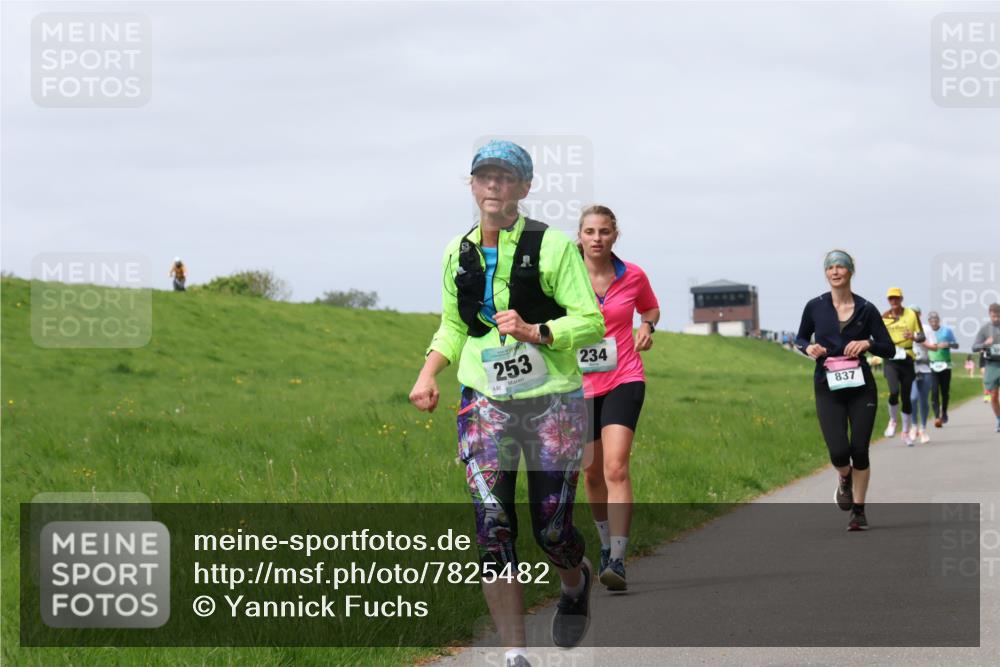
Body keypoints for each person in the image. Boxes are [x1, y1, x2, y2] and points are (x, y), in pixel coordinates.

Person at [409, 140, 605, 665]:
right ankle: (514, 655)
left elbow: (590, 320)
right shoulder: (458, 252)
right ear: (472, 185)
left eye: (505, 177)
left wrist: (537, 330)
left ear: (524, 186)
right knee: (493, 528)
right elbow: (454, 324)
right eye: (485, 176)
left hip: (552, 402)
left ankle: (574, 580)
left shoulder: (553, 246)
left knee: (551, 529)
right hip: (484, 403)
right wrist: (429, 373)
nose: (494, 185)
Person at [575, 205, 660, 591]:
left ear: (615, 235)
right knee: (591, 474)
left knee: (615, 467)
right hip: (578, 386)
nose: (597, 238)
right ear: (580, 236)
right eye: (590, 231)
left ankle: (619, 560)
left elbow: (651, 307)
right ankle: (605, 543)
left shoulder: (634, 274)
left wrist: (647, 325)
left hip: (625, 376)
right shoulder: (563, 278)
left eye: (604, 231)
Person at [795, 250, 895, 531]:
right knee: (839, 451)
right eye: (830, 268)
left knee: (860, 450)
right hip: (828, 386)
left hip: (861, 387)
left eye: (841, 267)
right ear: (826, 273)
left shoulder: (867, 308)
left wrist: (868, 344)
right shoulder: (815, 306)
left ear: (851, 272)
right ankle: (844, 477)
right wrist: (808, 348)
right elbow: (801, 337)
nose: (835, 272)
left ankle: (859, 511)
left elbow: (889, 347)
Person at [880, 287, 924, 446]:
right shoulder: (884, 317)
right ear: (888, 301)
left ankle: (905, 432)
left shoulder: (911, 314)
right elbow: (877, 337)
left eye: (896, 298)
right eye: (891, 299)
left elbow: (922, 336)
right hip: (891, 359)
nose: (894, 301)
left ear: (901, 299)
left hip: (907, 358)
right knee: (893, 391)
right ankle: (893, 421)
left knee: (906, 397)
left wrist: (913, 336)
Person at [924, 311, 959, 427]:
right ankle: (937, 417)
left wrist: (948, 344)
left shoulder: (946, 331)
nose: (934, 322)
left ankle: (944, 412)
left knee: (945, 391)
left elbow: (956, 345)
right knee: (934, 391)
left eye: (936, 320)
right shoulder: (927, 332)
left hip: (946, 364)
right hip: (932, 365)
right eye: (931, 320)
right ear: (929, 322)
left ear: (939, 320)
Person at [970, 303, 1000, 433]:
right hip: (991, 364)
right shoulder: (985, 329)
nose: (996, 319)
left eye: (998, 316)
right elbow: (974, 347)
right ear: (990, 314)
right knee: (993, 396)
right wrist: (984, 343)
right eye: (994, 316)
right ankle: (999, 419)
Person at [909, 306, 932, 445]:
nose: (914, 316)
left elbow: (933, 346)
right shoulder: (904, 328)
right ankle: (913, 426)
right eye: (912, 313)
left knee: (923, 399)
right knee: (912, 398)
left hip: (925, 367)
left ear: (920, 314)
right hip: (910, 368)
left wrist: (918, 339)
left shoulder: (926, 329)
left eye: (916, 313)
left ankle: (923, 429)